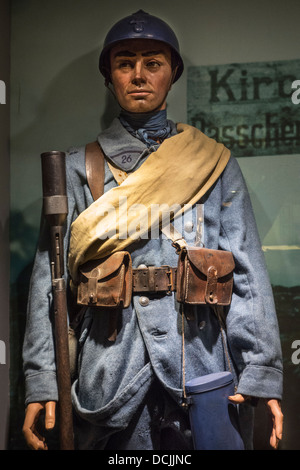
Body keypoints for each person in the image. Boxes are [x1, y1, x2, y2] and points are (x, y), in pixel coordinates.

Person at [22, 10, 283, 451]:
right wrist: (43, 379)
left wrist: (262, 369)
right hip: (110, 372)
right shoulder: (76, 169)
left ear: (172, 73)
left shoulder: (213, 163)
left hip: (199, 366)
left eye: (153, 63)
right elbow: (51, 284)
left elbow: (246, 274)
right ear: (110, 76)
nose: (139, 75)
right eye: (125, 63)